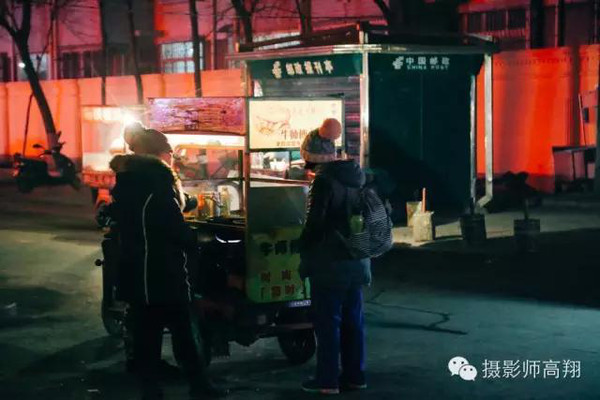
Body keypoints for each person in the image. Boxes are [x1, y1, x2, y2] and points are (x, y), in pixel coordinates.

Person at [109, 122, 227, 399]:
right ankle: (200, 387)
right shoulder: (158, 183)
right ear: (158, 155)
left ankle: (151, 391)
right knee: (184, 332)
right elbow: (173, 227)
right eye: (169, 153)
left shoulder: (130, 181)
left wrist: (188, 203)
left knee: (146, 337)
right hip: (164, 272)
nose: (172, 157)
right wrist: (196, 238)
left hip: (137, 274)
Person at [298, 118, 371, 395]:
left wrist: (301, 248)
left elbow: (315, 224)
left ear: (313, 158)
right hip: (357, 259)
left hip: (330, 262)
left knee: (328, 322)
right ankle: (355, 376)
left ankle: (327, 380)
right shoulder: (357, 176)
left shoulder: (324, 181)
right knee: (353, 321)